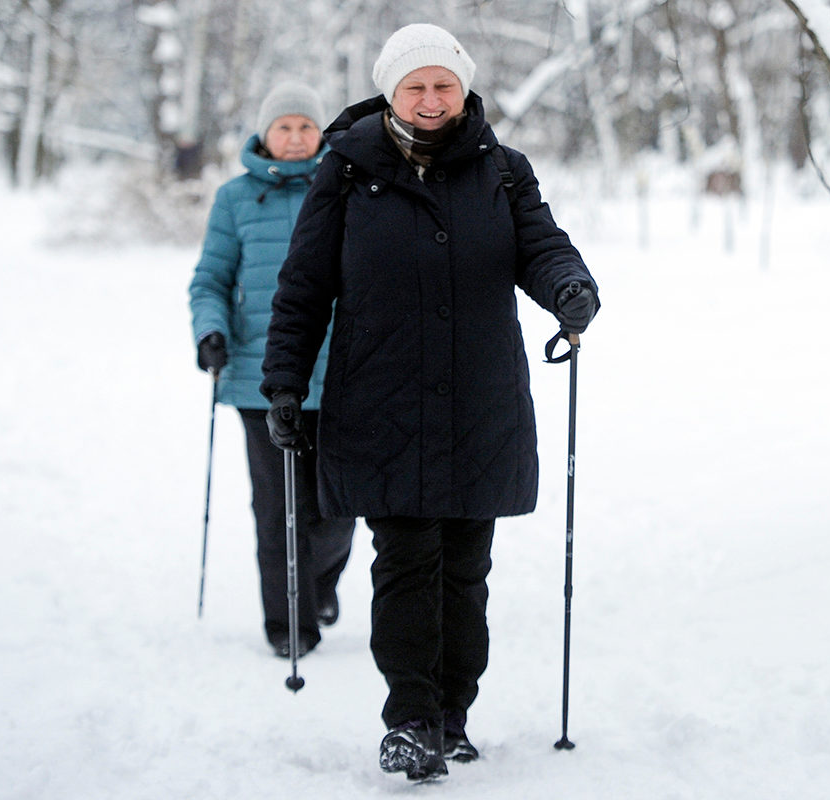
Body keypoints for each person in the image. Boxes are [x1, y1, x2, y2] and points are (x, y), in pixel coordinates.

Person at [260, 23, 600, 782]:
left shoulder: (503, 172)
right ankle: (410, 719)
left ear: (463, 87)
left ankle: (453, 714)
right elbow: (304, 285)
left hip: (480, 401)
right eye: (415, 85)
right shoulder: (346, 173)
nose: (431, 98)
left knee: (465, 572)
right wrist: (284, 381)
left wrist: (570, 289)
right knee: (406, 562)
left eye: (443, 84)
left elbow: (542, 247)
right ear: (390, 90)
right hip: (382, 401)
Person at [188, 81, 355, 660]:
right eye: (283, 126)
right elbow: (210, 278)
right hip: (259, 380)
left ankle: (319, 583)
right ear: (264, 133)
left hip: (340, 374)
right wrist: (211, 332)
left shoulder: (347, 188)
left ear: (319, 134)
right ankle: (290, 622)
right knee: (278, 507)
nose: (294, 137)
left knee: (338, 507)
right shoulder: (235, 199)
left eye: (305, 126)